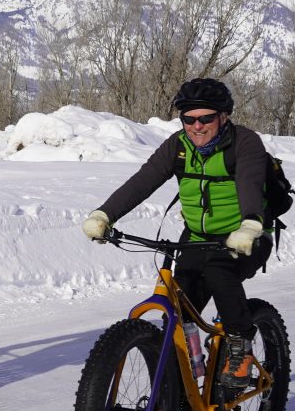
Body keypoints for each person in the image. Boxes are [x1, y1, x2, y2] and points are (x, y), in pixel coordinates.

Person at [81, 78, 270, 389]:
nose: (196, 126)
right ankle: (184, 384)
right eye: (188, 119)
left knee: (219, 271)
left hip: (248, 235)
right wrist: (105, 214)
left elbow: (249, 183)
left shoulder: (244, 143)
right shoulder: (178, 146)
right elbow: (143, 181)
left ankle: (239, 347)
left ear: (223, 116)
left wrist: (249, 225)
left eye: (205, 118)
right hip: (197, 237)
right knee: (179, 309)